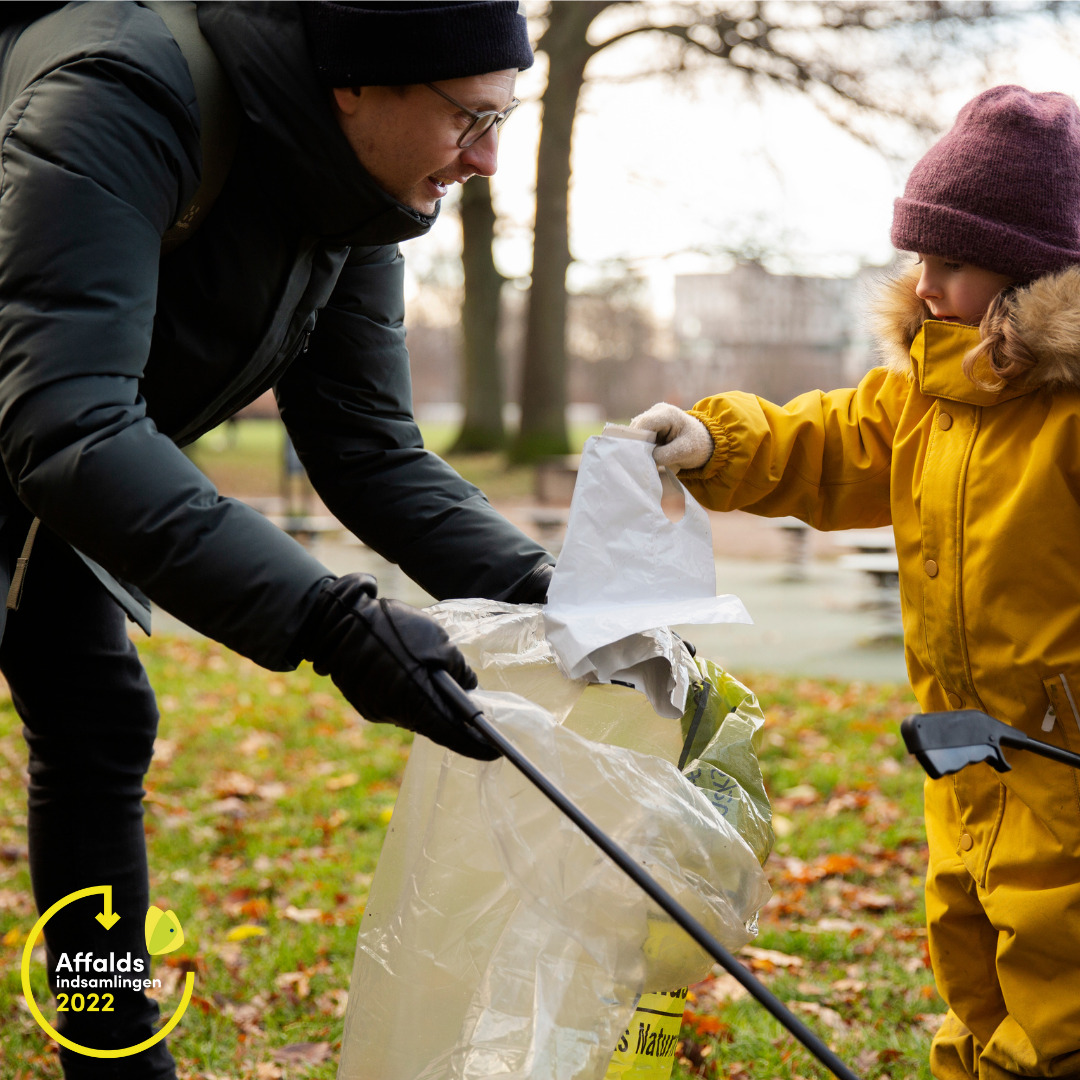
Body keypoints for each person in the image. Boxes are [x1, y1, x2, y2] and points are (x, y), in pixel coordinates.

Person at [0, 2, 553, 1076]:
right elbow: (70, 423)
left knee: (95, 725)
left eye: (507, 115)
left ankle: (112, 1058)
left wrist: (553, 596)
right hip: (50, 423)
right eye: (468, 118)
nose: (488, 157)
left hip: (43, 443)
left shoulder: (357, 191)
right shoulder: (123, 93)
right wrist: (333, 623)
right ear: (358, 84)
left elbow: (367, 450)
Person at [632, 85, 1080, 1079]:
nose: (924, 285)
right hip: (967, 756)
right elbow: (831, 441)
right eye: (918, 259)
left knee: (1062, 996)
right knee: (968, 954)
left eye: (949, 264)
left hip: (1066, 766)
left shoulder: (1066, 412)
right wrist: (715, 441)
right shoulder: (931, 392)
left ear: (1026, 270)